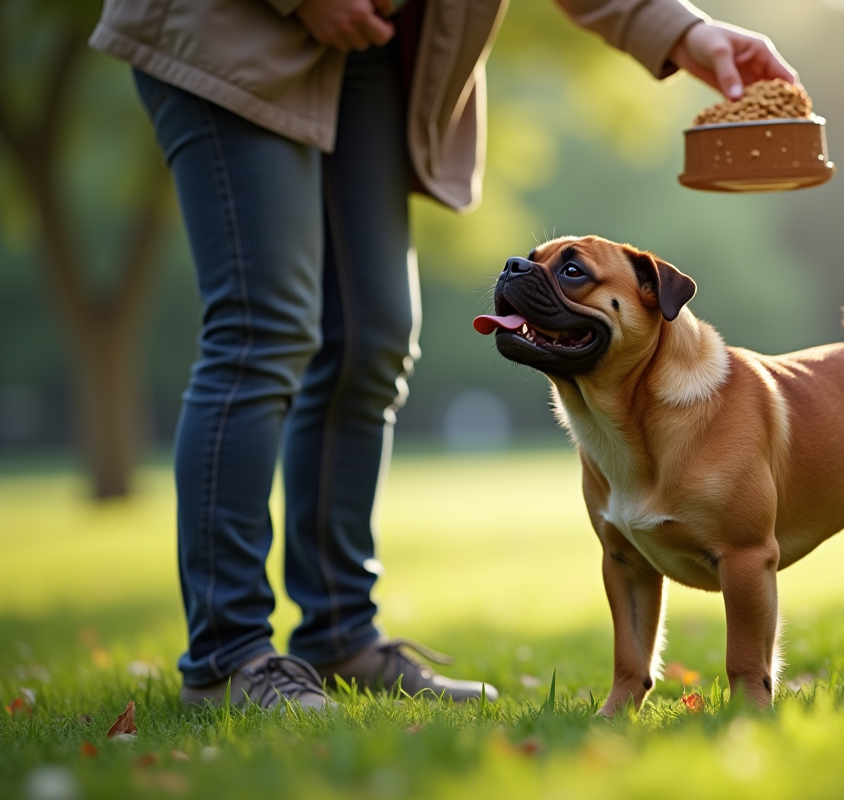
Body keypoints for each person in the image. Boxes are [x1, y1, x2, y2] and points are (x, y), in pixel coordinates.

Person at [89, 0, 798, 709]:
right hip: (229, 27)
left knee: (374, 340)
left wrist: (680, 30)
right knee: (263, 329)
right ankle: (227, 655)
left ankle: (340, 635)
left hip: (375, 51)